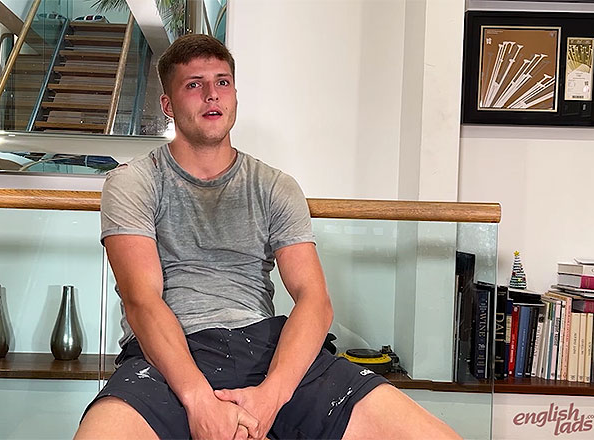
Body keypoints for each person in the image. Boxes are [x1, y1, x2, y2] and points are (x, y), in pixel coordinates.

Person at [75, 34, 460, 440]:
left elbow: (314, 300)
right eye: (194, 84)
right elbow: (142, 300)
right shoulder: (133, 181)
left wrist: (271, 397)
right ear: (168, 105)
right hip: (168, 356)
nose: (211, 95)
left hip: (264, 346)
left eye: (222, 82)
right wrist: (199, 400)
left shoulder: (275, 186)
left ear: (235, 95)